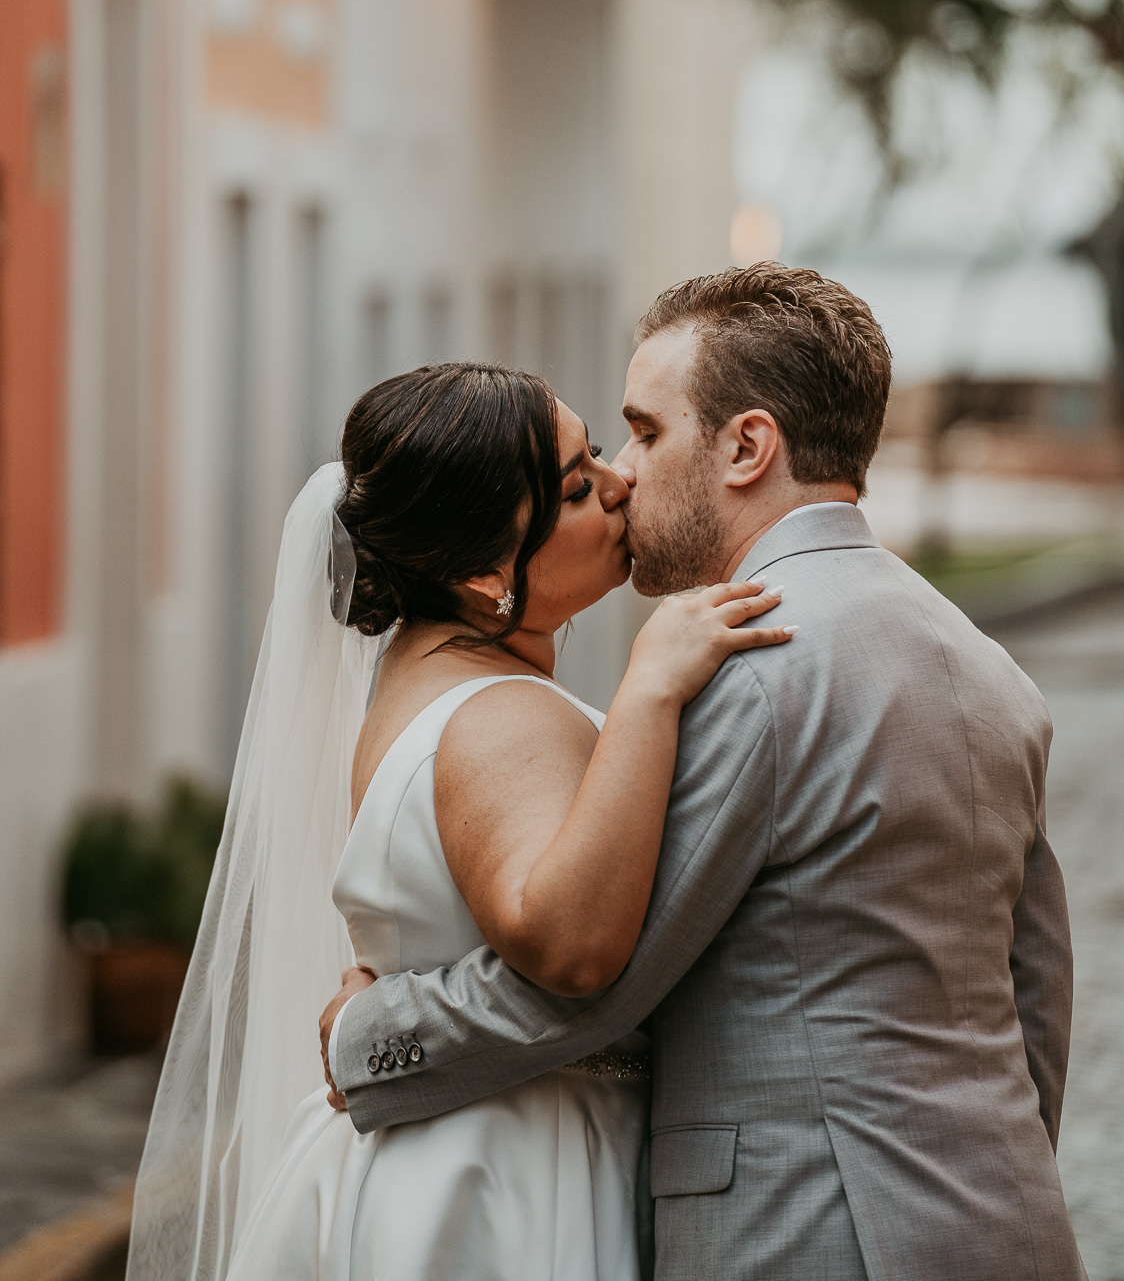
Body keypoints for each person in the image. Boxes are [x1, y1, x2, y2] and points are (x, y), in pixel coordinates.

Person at [325, 262, 1088, 1281]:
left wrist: (369, 1037)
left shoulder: (749, 665)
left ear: (746, 447)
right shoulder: (990, 670)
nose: (623, 473)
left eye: (643, 432)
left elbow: (600, 981)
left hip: (811, 1230)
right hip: (1007, 1221)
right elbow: (1036, 991)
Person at [127, 360, 792, 1281]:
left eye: (598, 451)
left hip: (435, 1149)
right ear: (486, 574)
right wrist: (647, 692)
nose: (618, 482)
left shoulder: (423, 672)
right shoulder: (499, 714)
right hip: (509, 1180)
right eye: (574, 487)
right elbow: (572, 951)